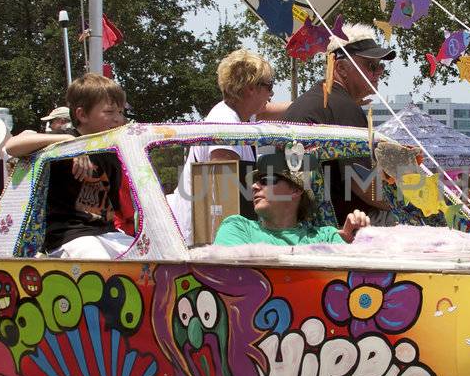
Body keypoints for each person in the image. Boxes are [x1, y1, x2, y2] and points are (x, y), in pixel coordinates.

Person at [3, 73, 132, 259]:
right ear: (82, 114)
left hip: (106, 232)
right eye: (109, 112)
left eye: (120, 112)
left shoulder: (112, 150)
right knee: (99, 262)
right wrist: (70, 143)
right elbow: (12, 146)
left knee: (151, 259)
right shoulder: (64, 142)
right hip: (69, 236)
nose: (118, 119)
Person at [169, 49, 282, 244]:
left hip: (212, 231)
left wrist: (321, 99)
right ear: (250, 88)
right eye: (269, 86)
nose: (272, 93)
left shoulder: (238, 115)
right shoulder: (225, 122)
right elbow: (225, 190)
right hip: (203, 236)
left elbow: (275, 110)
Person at [282, 27, 394, 219]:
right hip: (339, 227)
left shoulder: (315, 100)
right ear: (341, 68)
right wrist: (410, 201)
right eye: (371, 66)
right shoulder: (343, 107)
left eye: (381, 66)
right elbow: (365, 186)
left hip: (301, 221)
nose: (378, 73)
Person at [213, 150, 371, 247]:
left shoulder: (326, 237)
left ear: (296, 190)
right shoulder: (237, 227)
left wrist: (358, 241)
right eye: (255, 181)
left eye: (266, 180)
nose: (254, 186)